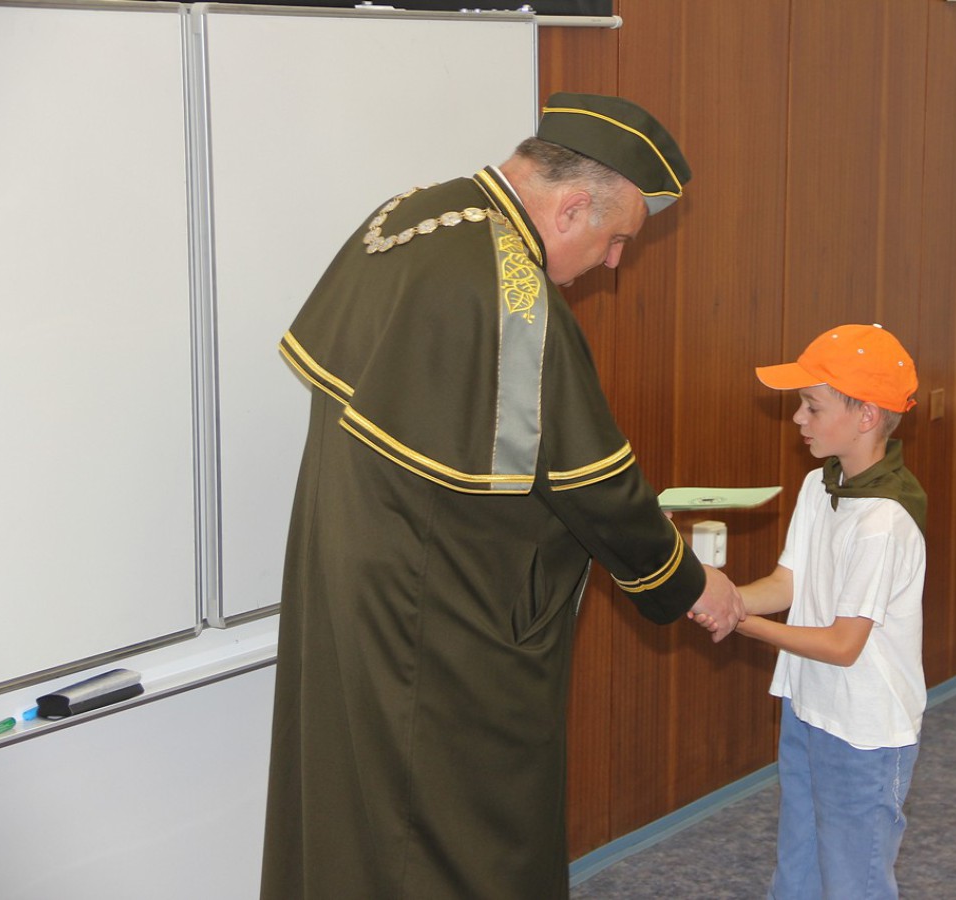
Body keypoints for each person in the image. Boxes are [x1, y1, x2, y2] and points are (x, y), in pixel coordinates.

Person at [260, 93, 745, 900]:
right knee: (456, 827)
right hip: (440, 611)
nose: (613, 263)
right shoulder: (513, 289)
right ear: (572, 206)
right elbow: (592, 482)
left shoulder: (411, 215)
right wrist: (687, 581)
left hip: (350, 570)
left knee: (356, 799)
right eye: (616, 239)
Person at [716, 323, 928, 899]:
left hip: (864, 732)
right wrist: (722, 596)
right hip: (808, 707)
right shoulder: (820, 486)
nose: (797, 418)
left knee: (854, 881)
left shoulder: (883, 521)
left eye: (812, 406)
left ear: (866, 416)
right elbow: (788, 584)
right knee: (799, 870)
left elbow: (842, 644)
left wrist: (741, 622)